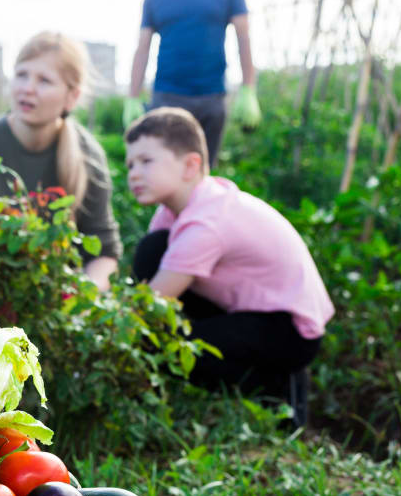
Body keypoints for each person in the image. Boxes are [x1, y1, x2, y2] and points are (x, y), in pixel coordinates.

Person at [125, 107, 333, 404]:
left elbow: (150, 307)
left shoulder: (207, 222)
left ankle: (274, 392)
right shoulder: (172, 211)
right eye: (130, 163)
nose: (134, 173)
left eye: (146, 161)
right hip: (252, 311)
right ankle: (237, 361)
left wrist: (96, 329)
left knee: (171, 349)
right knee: (153, 250)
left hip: (291, 331)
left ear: (190, 166)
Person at [0, 32, 121, 291]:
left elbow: (104, 252)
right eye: (22, 74)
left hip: (60, 295)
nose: (27, 88)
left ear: (72, 96)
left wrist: (86, 296)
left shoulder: (87, 155)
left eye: (44, 80)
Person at [123, 0, 261, 168]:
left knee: (201, 170)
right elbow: (142, 48)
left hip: (211, 97)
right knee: (164, 170)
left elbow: (244, 37)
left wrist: (248, 88)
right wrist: (132, 97)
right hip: (167, 98)